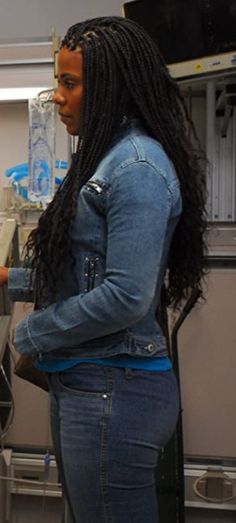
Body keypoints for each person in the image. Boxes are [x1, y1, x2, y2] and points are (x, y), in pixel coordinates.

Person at [0, 16, 207, 523]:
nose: (58, 96)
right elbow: (84, 275)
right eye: (58, 81)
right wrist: (8, 279)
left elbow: (125, 296)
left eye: (70, 83)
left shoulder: (135, 167)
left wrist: (32, 332)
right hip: (90, 381)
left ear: (111, 87)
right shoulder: (105, 158)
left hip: (116, 388)